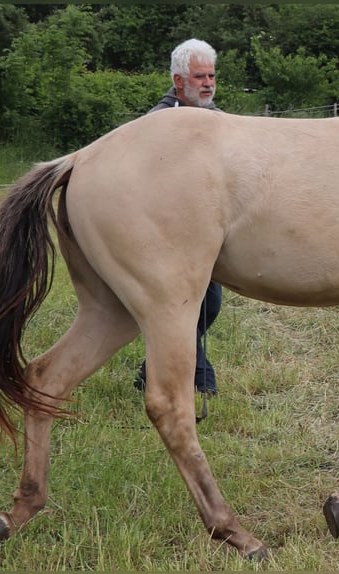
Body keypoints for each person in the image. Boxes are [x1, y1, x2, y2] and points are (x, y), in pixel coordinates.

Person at [133, 39, 222, 395]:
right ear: (178, 80)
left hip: (205, 231)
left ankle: (150, 368)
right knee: (187, 304)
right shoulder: (159, 122)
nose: (208, 83)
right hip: (166, 231)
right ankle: (200, 379)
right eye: (199, 76)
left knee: (209, 303)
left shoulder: (215, 118)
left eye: (211, 75)